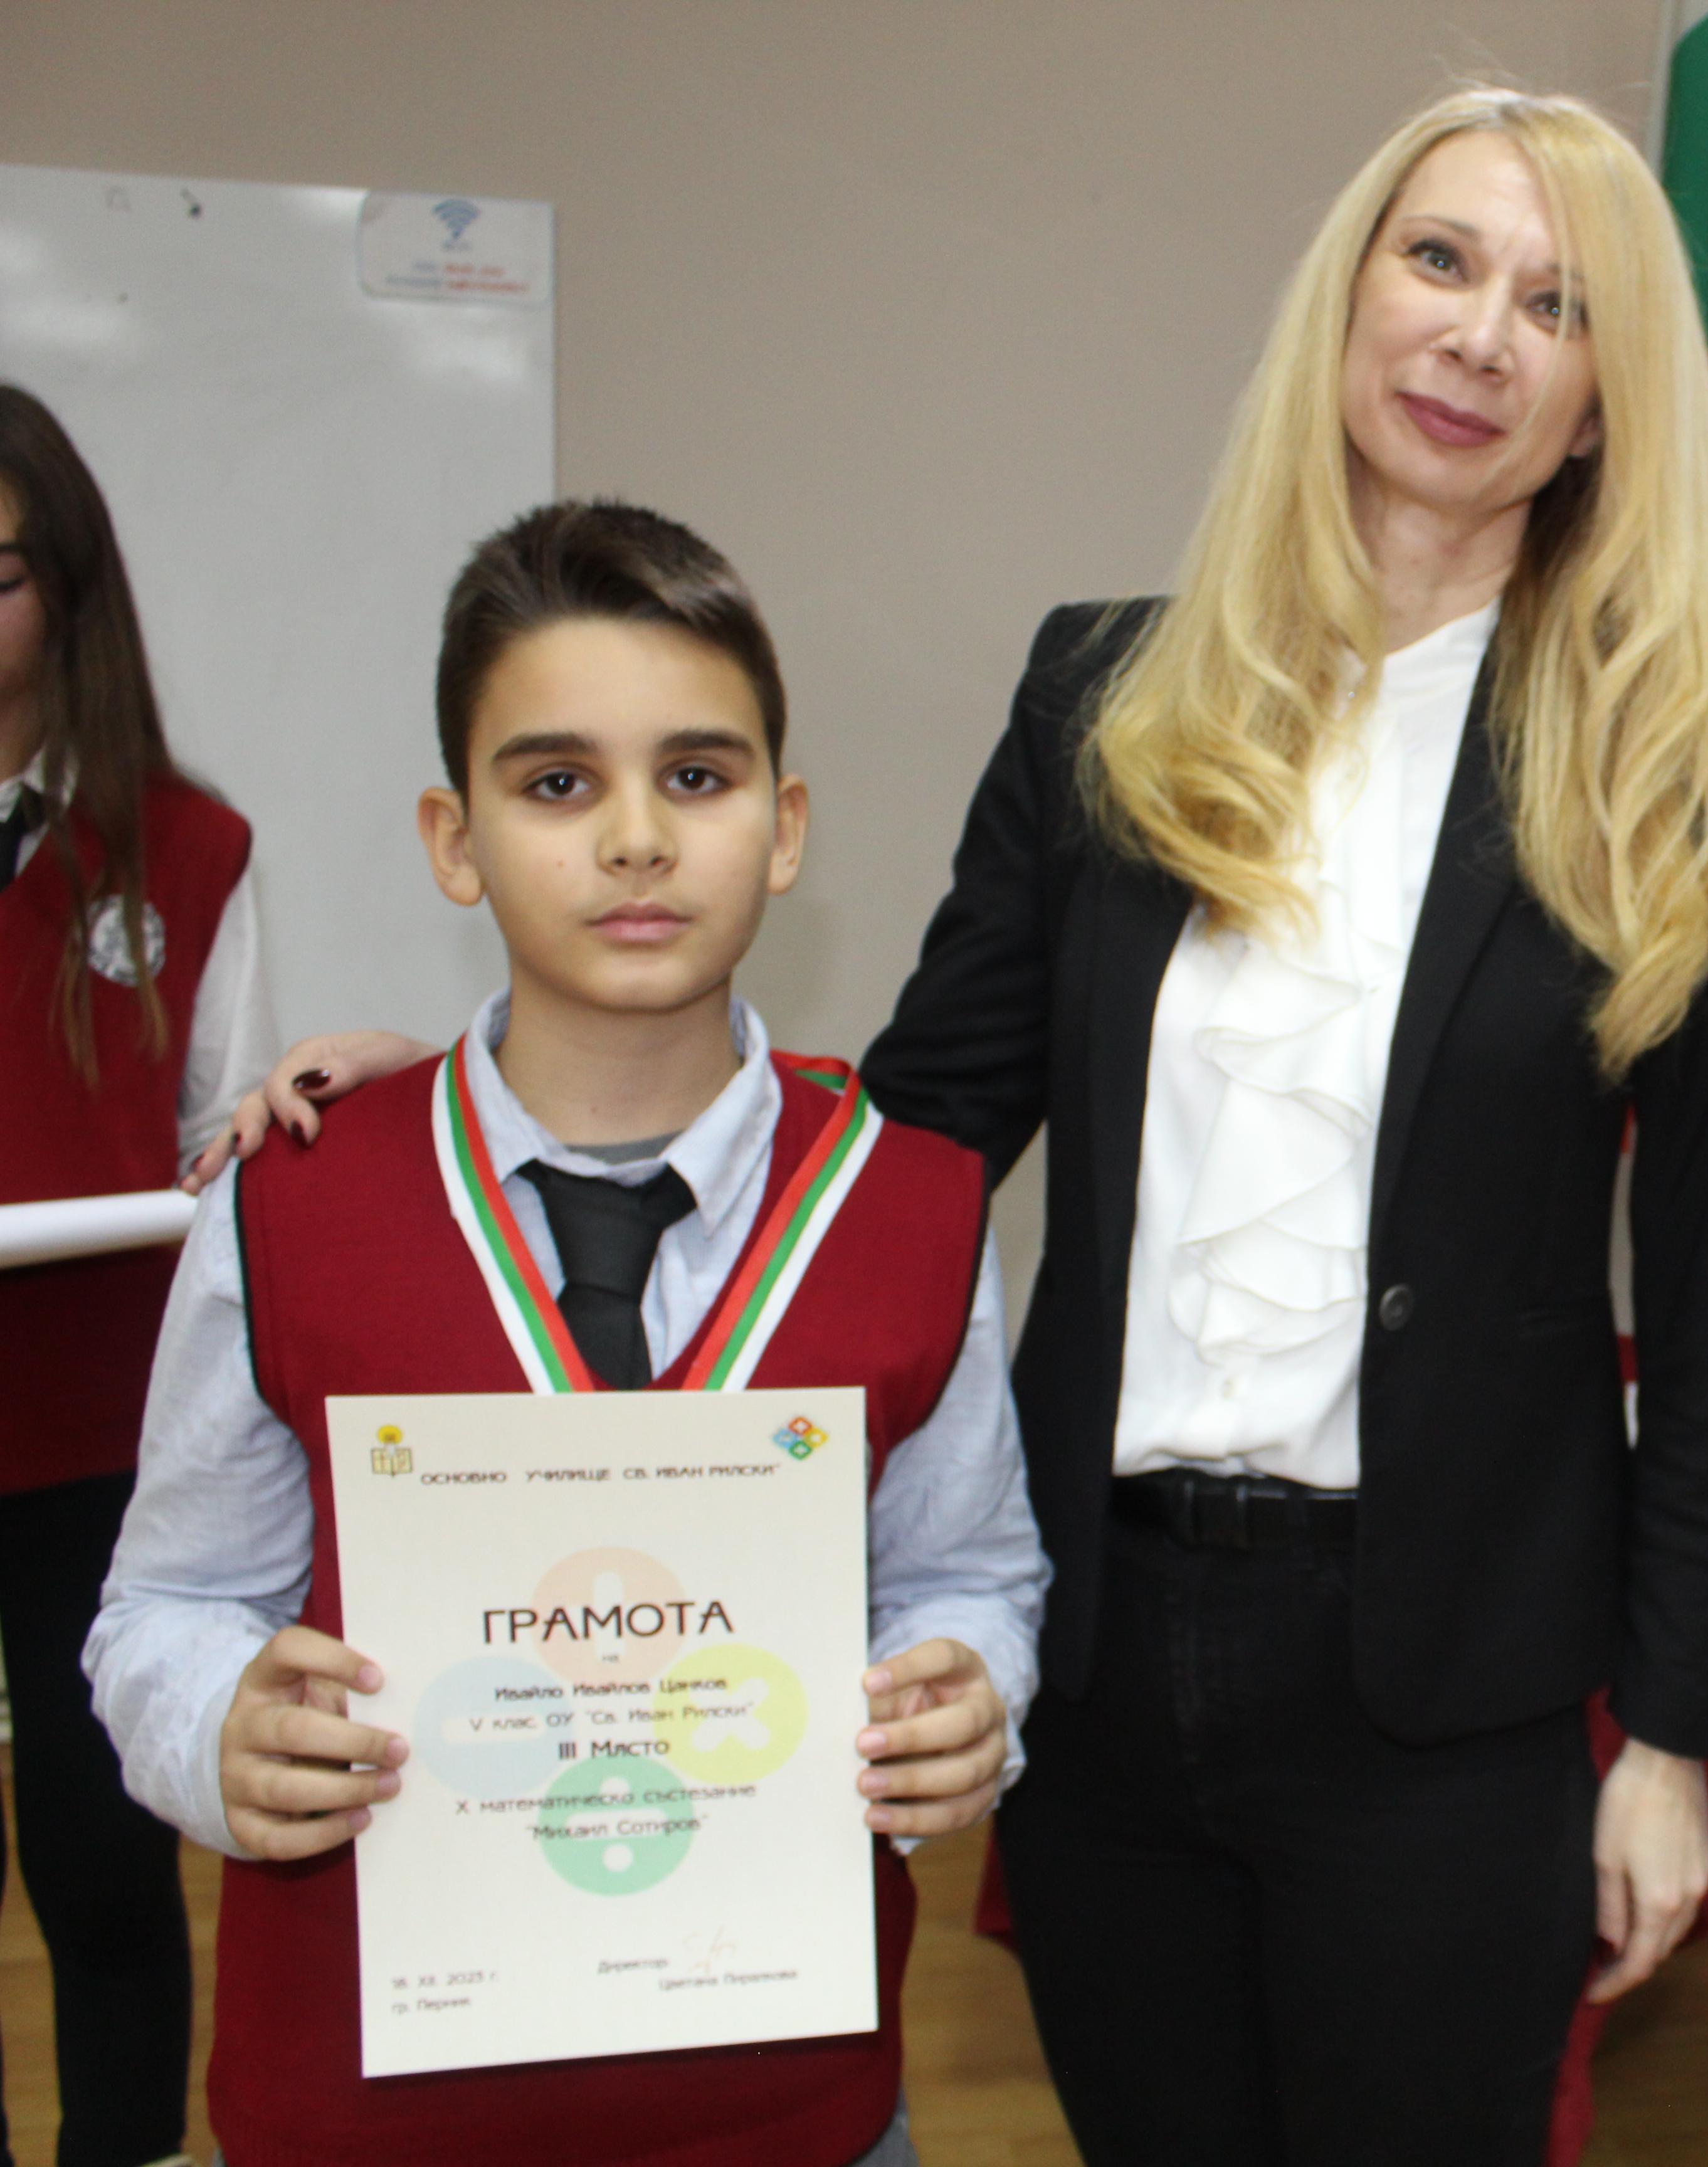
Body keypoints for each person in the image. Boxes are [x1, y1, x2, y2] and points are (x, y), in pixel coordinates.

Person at [196, 85, 1708, 2167]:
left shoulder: (1672, 779)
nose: (1481, 336)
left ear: (1611, 401)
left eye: (1560, 303)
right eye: (1440, 261)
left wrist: (1675, 1746)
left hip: (1449, 1696)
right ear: (1347, 298)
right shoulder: (1108, 698)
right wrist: (487, 1093)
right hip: (1101, 1655)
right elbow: (918, 1127)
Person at [98, 500, 1048, 2167]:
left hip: (794, 2115)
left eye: (698, 775)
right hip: (365, 2112)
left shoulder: (911, 1208)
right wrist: (213, 1731)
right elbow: (166, 1608)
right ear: (453, 840)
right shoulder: (295, 1202)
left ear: (786, 826)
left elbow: (967, 1572)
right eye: (556, 784)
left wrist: (975, 1693)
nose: (635, 839)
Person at [0, 384, 266, 2167]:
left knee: (101, 1857)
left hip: (98, 1429)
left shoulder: (185, 843)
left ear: (67, 589)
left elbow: (219, 1138)